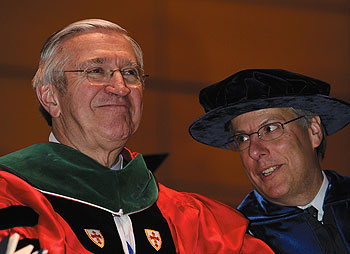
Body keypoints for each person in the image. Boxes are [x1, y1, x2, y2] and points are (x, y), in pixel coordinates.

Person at [0, 20, 274, 254]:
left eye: (130, 73)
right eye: (96, 71)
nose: (120, 88)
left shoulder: (200, 222)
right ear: (50, 97)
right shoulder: (11, 198)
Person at [189, 69, 350, 254]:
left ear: (314, 131)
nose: (255, 151)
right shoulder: (237, 241)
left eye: (270, 129)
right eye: (242, 139)